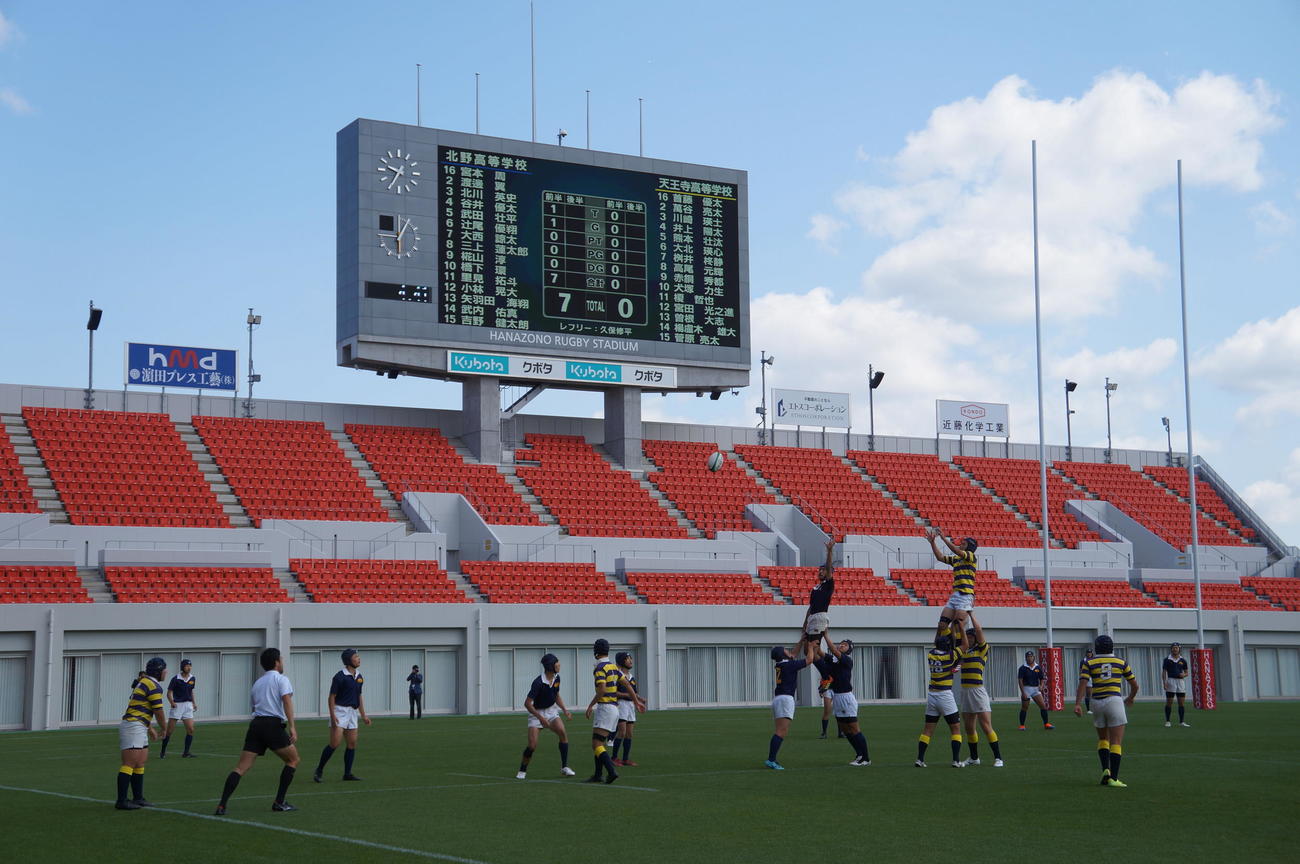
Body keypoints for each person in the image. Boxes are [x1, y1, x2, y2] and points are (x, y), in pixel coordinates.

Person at [215, 647, 299, 815]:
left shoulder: (258, 682)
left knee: (241, 767)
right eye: (281, 659)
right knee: (293, 760)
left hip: (256, 725)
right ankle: (279, 802)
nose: (282, 662)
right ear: (276, 662)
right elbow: (287, 702)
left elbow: (254, 705)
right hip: (272, 725)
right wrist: (292, 726)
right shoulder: (281, 679)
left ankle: (222, 805)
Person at [1074, 634, 1139, 787]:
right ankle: (1114, 778)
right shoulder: (1121, 662)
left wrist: (1078, 704)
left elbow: (1083, 684)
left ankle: (1105, 770)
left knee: (1103, 739)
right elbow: (1135, 685)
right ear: (1112, 647)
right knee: (1116, 741)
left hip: (1097, 702)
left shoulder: (1089, 662)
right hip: (1114, 700)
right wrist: (1130, 697)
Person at [583, 638, 644, 784]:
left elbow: (602, 689)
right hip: (615, 709)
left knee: (596, 744)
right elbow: (628, 685)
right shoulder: (613, 667)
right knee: (599, 743)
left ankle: (611, 771)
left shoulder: (599, 668)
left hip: (605, 708)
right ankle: (598, 774)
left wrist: (591, 705)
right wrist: (636, 702)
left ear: (596, 653)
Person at [114, 656, 167, 810]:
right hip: (133, 725)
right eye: (164, 669)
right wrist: (164, 728)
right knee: (130, 762)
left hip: (139, 725)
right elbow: (158, 710)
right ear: (158, 671)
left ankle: (138, 798)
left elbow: (141, 706)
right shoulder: (152, 685)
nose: (166, 672)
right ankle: (121, 800)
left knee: (140, 761)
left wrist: (149, 728)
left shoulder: (145, 682)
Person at [314, 649, 370, 783]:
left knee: (352, 744)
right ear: (348, 660)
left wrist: (363, 715)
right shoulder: (339, 676)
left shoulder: (359, 676)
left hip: (352, 713)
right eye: (356, 657)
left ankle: (347, 774)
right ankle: (319, 770)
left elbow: (359, 696)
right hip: (339, 711)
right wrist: (333, 716)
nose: (359, 658)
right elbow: (331, 697)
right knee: (335, 743)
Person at [517, 653, 576, 779]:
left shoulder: (557, 678)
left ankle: (564, 767)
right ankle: (522, 770)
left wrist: (565, 710)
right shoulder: (538, 683)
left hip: (551, 711)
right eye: (557, 663)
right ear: (550, 666)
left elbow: (556, 696)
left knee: (563, 733)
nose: (559, 665)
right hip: (536, 713)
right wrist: (541, 718)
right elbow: (527, 704)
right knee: (532, 745)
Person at [957, 614, 1004, 767]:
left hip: (977, 691)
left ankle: (998, 758)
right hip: (965, 691)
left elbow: (978, 629)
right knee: (969, 727)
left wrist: (970, 614)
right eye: (968, 637)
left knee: (985, 725)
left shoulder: (982, 650)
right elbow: (958, 633)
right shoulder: (963, 651)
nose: (969, 639)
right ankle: (974, 757)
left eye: (971, 637)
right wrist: (959, 623)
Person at [818, 635, 872, 766]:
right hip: (837, 697)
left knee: (854, 728)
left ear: (849, 650)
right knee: (845, 729)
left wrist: (825, 634)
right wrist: (815, 638)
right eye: (841, 643)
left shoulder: (847, 660)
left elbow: (832, 649)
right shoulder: (834, 660)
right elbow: (819, 652)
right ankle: (859, 754)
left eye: (845, 645)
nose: (841, 645)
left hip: (846, 697)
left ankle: (866, 758)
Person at [916, 627, 964, 768]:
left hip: (932, 695)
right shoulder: (950, 656)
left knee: (927, 730)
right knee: (955, 729)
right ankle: (956, 760)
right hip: (945, 695)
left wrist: (940, 629)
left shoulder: (931, 654)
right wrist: (960, 628)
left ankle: (920, 759)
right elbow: (965, 646)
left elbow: (936, 643)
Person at [765, 640, 816, 769]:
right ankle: (771, 759)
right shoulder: (789, 665)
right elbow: (809, 660)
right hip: (785, 699)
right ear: (783, 654)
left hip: (778, 698)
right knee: (781, 731)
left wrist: (802, 640)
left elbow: (793, 653)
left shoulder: (782, 664)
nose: (788, 651)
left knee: (779, 731)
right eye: (785, 650)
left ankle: (772, 759)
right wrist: (810, 647)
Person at [927, 528, 978, 640]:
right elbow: (940, 557)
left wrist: (944, 539)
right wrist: (932, 543)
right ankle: (945, 645)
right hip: (955, 595)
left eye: (963, 544)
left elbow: (957, 551)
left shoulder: (971, 556)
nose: (960, 544)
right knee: (942, 625)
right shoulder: (956, 559)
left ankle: (957, 649)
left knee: (957, 626)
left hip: (966, 596)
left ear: (969, 547)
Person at [798, 537, 836, 652]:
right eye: (819, 570)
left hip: (820, 616)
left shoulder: (828, 584)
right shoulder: (816, 587)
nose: (820, 571)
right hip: (812, 618)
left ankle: (827, 665)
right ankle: (825, 662)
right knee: (806, 650)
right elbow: (811, 606)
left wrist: (829, 551)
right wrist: (805, 622)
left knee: (813, 649)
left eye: (823, 570)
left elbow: (829, 568)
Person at [160, 658, 197, 759]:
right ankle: (163, 752)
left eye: (190, 666)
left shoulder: (192, 678)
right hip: (178, 705)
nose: (189, 668)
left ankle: (186, 753)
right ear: (182, 667)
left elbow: (191, 691)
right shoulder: (176, 678)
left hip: (188, 705)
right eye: (187, 666)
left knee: (191, 730)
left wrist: (194, 703)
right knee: (170, 731)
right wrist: (172, 702)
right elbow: (169, 693)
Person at [612, 651, 641, 767]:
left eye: (631, 658)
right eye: (627, 659)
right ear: (621, 661)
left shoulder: (631, 677)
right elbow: (613, 692)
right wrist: (626, 696)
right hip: (621, 705)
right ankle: (614, 758)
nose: (630, 661)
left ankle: (625, 759)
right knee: (622, 732)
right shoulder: (617, 676)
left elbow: (634, 693)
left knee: (629, 733)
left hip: (630, 706)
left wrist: (640, 700)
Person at [1017, 650, 1054, 730]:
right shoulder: (1022, 668)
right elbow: (1020, 680)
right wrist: (1023, 692)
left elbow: (1041, 678)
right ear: (1025, 658)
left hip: (1035, 689)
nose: (1029, 658)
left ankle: (1046, 724)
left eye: (1031, 657)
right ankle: (1022, 725)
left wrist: (1041, 685)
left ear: (1034, 657)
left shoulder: (1038, 667)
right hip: (1026, 688)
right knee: (1025, 707)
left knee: (1043, 706)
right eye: (1028, 657)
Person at [1162, 642, 1191, 727]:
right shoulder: (1167, 659)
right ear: (1171, 649)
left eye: (1176, 648)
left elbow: (1186, 672)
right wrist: (1164, 682)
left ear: (1179, 649)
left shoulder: (1183, 660)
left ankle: (1181, 722)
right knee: (1169, 702)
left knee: (1181, 703)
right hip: (1171, 681)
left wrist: (1184, 675)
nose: (1175, 649)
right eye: (1173, 648)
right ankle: (1168, 721)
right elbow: (1164, 672)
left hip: (1180, 682)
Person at [1080, 649, 1095, 714]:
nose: (1089, 654)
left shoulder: (1094, 660)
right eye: (1088, 653)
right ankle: (1088, 709)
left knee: (1094, 693)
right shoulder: (1083, 661)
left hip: (1093, 677)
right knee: (1088, 693)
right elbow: (1081, 670)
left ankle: (1093, 708)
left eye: (1090, 653)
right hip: (1087, 677)